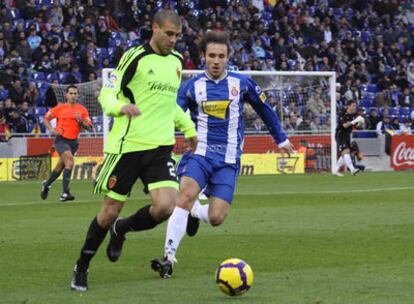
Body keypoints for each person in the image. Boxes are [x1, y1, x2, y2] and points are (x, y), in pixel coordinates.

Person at [70, 9, 197, 292]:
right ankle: (82, 265)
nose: (173, 40)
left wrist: (188, 128)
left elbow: (169, 104)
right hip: (128, 147)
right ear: (154, 28)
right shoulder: (134, 57)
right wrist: (120, 108)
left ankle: (122, 229)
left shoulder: (176, 62)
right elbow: (107, 93)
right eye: (169, 34)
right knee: (108, 212)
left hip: (161, 147)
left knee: (165, 206)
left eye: (177, 35)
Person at [150, 31, 294, 278]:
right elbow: (171, 114)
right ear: (203, 57)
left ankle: (195, 212)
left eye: (221, 56)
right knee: (184, 195)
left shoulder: (242, 83)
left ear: (228, 57)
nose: (216, 61)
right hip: (200, 154)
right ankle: (168, 258)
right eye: (211, 56)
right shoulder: (192, 86)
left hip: (228, 160)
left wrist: (281, 138)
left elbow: (265, 109)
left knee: (216, 217)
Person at [41, 85, 92, 201]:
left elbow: (89, 127)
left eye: (75, 93)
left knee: (60, 166)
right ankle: (65, 193)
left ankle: (47, 184)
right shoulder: (60, 108)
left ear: (77, 95)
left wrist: (81, 122)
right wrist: (51, 129)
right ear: (66, 95)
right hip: (61, 140)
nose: (73, 95)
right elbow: (45, 118)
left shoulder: (82, 109)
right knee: (70, 161)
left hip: (74, 142)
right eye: (71, 93)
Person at [333, 99, 364, 176]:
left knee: (345, 153)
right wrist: (355, 120)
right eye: (353, 106)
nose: (354, 107)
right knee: (346, 151)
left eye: (355, 106)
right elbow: (344, 125)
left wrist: (360, 123)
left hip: (347, 135)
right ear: (348, 106)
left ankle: (335, 169)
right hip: (340, 134)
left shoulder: (355, 115)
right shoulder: (342, 113)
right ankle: (352, 169)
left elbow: (357, 127)